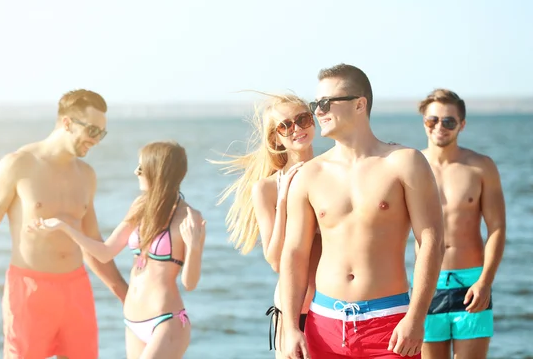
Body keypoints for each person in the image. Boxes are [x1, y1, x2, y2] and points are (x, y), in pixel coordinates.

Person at [279, 64, 445, 359]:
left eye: (327, 103)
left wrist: (417, 318)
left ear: (359, 104)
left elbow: (431, 241)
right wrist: (290, 327)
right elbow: (294, 253)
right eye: (316, 104)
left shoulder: (405, 162)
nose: (319, 111)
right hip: (324, 325)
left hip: (391, 326)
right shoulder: (310, 175)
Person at [0, 89, 129, 359]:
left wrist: (125, 294)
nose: (96, 140)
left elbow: (94, 244)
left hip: (76, 290)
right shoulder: (18, 165)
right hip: (29, 291)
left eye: (102, 133)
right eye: (93, 130)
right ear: (67, 123)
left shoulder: (86, 176)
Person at [30, 140, 206, 359]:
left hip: (167, 321)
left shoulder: (190, 218)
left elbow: (189, 284)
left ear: (157, 170)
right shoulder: (141, 206)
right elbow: (105, 252)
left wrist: (195, 247)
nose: (136, 172)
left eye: (141, 167)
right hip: (133, 322)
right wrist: (65, 228)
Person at [213, 92, 322, 356]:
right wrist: (284, 200)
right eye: (285, 125)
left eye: (303, 119)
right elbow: (274, 260)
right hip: (292, 310)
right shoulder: (267, 189)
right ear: (275, 137)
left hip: (334, 305)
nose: (296, 129)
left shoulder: (331, 172)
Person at [416, 89, 506, 359]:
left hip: (472, 282)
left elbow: (497, 229)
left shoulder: (480, 167)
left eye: (449, 121)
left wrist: (485, 282)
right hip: (426, 283)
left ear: (461, 125)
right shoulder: (412, 167)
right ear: (424, 122)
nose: (439, 127)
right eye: (433, 120)